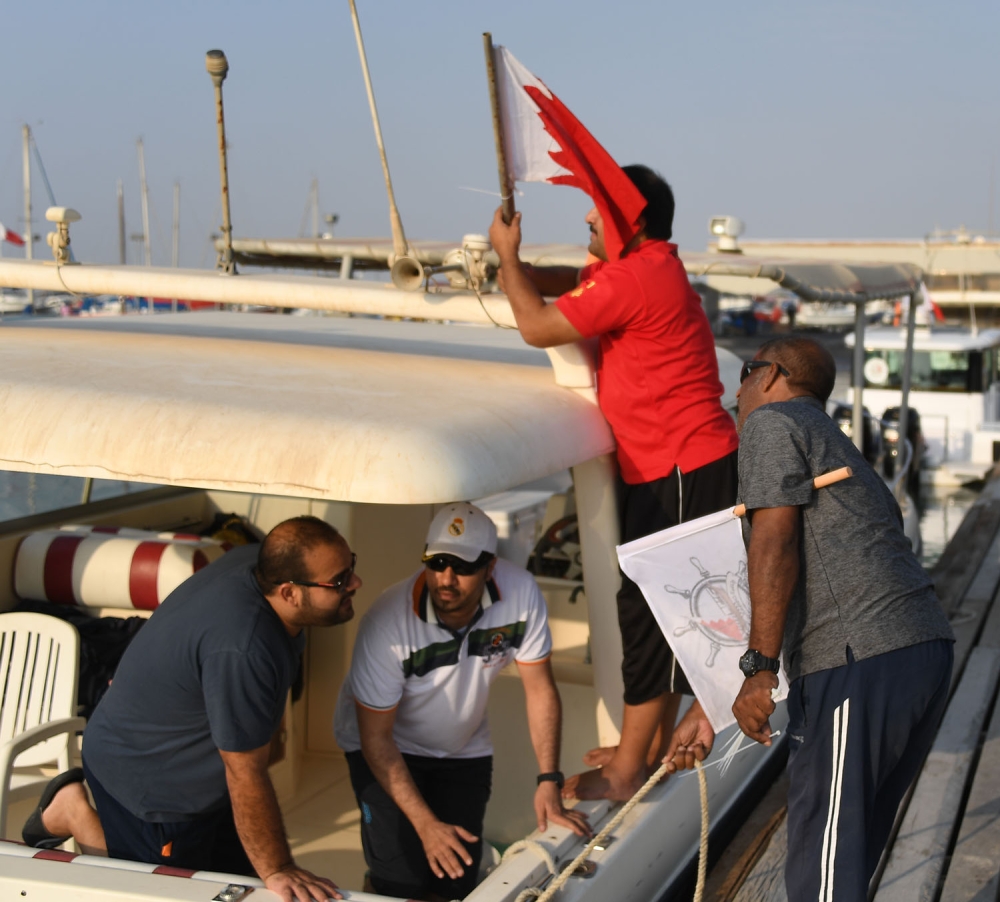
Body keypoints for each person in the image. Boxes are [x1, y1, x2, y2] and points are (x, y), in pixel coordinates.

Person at [664, 336, 955, 901]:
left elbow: (774, 546)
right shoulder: (834, 442)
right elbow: (803, 576)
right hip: (920, 650)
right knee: (847, 853)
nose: (738, 393)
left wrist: (759, 671)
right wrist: (712, 704)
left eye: (745, 375)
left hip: (860, 659)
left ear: (771, 375)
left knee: (821, 867)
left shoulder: (772, 425)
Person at [488, 164, 739, 801]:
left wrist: (506, 257)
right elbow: (571, 283)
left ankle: (628, 770)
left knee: (651, 612)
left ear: (629, 218)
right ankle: (647, 744)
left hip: (680, 465)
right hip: (675, 463)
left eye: (596, 209)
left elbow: (539, 327)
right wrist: (515, 274)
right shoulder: (643, 266)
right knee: (656, 607)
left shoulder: (636, 275)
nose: (587, 220)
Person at [24, 516, 357, 902]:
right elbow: (244, 771)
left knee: (239, 887)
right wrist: (279, 868)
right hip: (151, 782)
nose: (355, 583)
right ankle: (74, 809)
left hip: (200, 775)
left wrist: (273, 736)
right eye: (339, 580)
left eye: (351, 565)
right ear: (289, 593)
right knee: (155, 892)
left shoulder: (257, 561)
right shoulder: (243, 646)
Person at [334, 502, 590, 901]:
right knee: (400, 884)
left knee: (457, 880)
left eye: (464, 566)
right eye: (436, 562)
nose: (446, 579)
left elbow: (539, 688)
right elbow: (376, 741)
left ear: (490, 568)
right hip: (386, 749)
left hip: (464, 749)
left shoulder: (520, 594)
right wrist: (426, 824)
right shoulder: (386, 622)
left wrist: (548, 780)